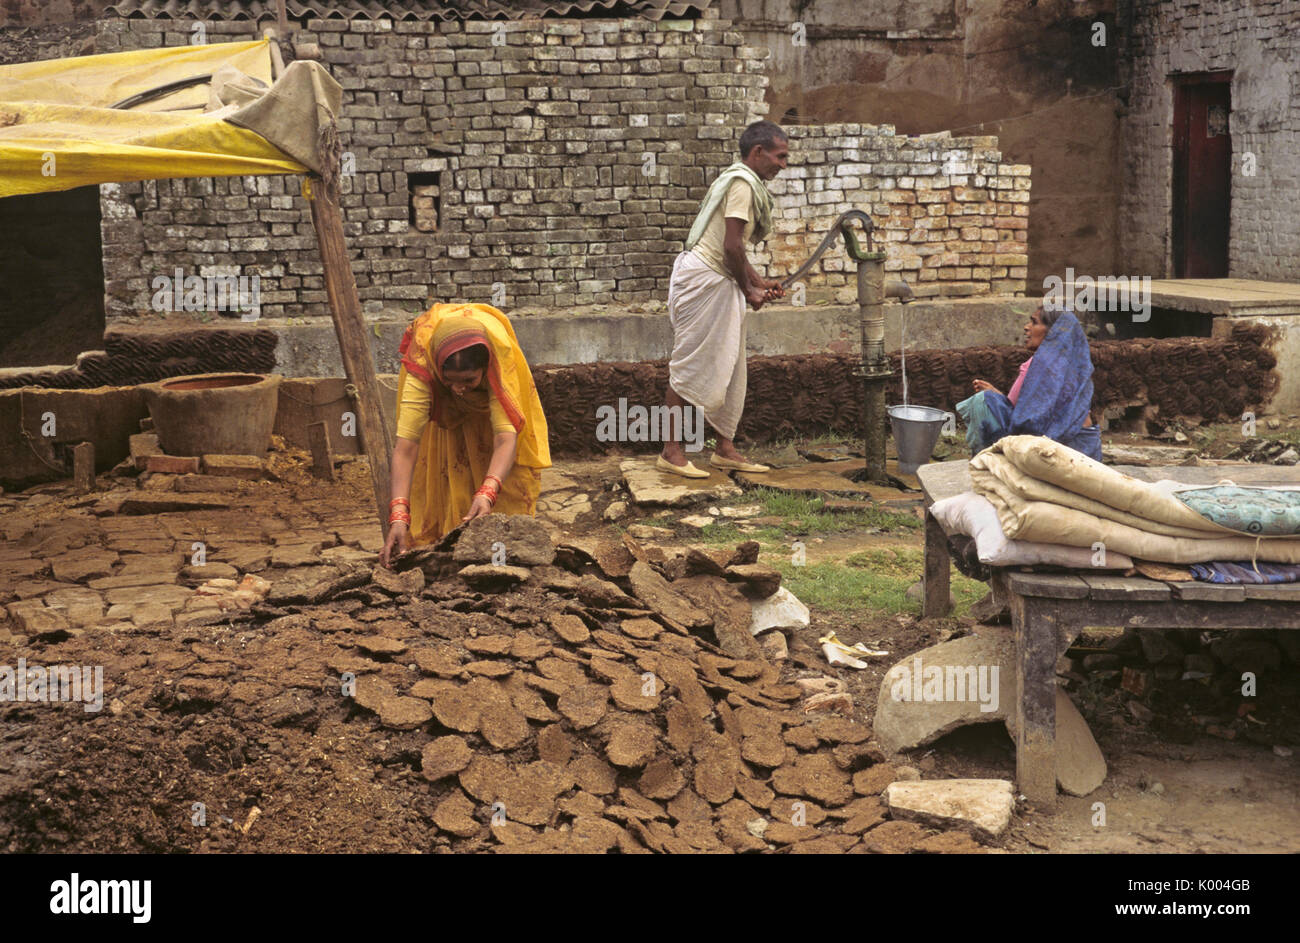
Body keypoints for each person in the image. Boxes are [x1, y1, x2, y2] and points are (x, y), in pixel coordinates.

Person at [657, 120, 788, 478]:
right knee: (689, 365)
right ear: (758, 152)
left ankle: (725, 449)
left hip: (716, 278)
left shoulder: (740, 182)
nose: (783, 164)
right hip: (705, 280)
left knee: (730, 366)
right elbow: (730, 246)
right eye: (779, 156)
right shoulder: (743, 184)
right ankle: (670, 452)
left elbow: (735, 250)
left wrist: (760, 282)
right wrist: (750, 290)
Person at [379, 302, 550, 567]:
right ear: (438, 371)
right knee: (447, 469)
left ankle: (503, 556)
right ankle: (449, 549)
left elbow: (505, 438)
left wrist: (487, 493)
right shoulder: (423, 366)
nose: (459, 389)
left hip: (488, 411)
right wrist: (399, 516)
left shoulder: (499, 362)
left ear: (484, 370)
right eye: (451, 380)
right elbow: (407, 447)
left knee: (504, 488)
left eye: (469, 381)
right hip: (444, 416)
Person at [957, 304, 1101, 461]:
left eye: (1034, 322)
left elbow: (1029, 422)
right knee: (990, 398)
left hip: (1066, 450)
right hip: (1087, 446)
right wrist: (996, 394)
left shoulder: (1045, 365)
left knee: (982, 402)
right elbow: (1030, 410)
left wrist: (992, 399)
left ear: (1053, 332)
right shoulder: (1073, 364)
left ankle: (987, 462)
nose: (1027, 327)